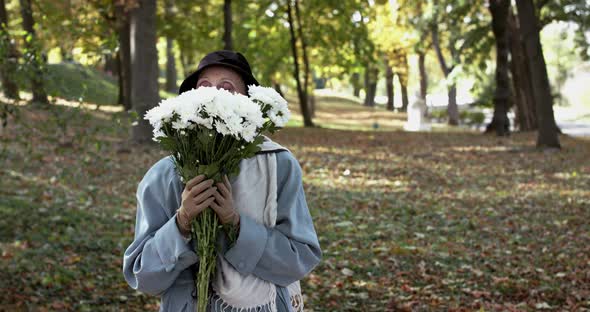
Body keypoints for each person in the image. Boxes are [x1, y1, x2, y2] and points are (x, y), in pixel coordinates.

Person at [122, 50, 322, 312]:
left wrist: (235, 224)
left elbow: (300, 259)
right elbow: (143, 276)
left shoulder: (279, 166)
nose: (214, 95)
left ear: (248, 103)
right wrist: (182, 222)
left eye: (227, 88)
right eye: (204, 86)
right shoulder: (165, 174)